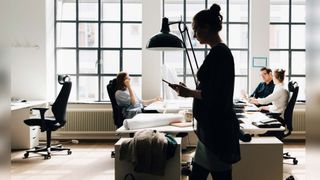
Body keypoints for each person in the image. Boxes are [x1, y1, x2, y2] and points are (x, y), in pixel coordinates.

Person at [169, 4, 240, 180]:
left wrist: (189, 93)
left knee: (220, 175)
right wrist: (190, 91)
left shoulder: (220, 54)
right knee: (199, 174)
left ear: (206, 28)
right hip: (211, 128)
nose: (194, 35)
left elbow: (215, 95)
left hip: (216, 129)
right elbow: (211, 88)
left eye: (195, 30)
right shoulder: (218, 52)